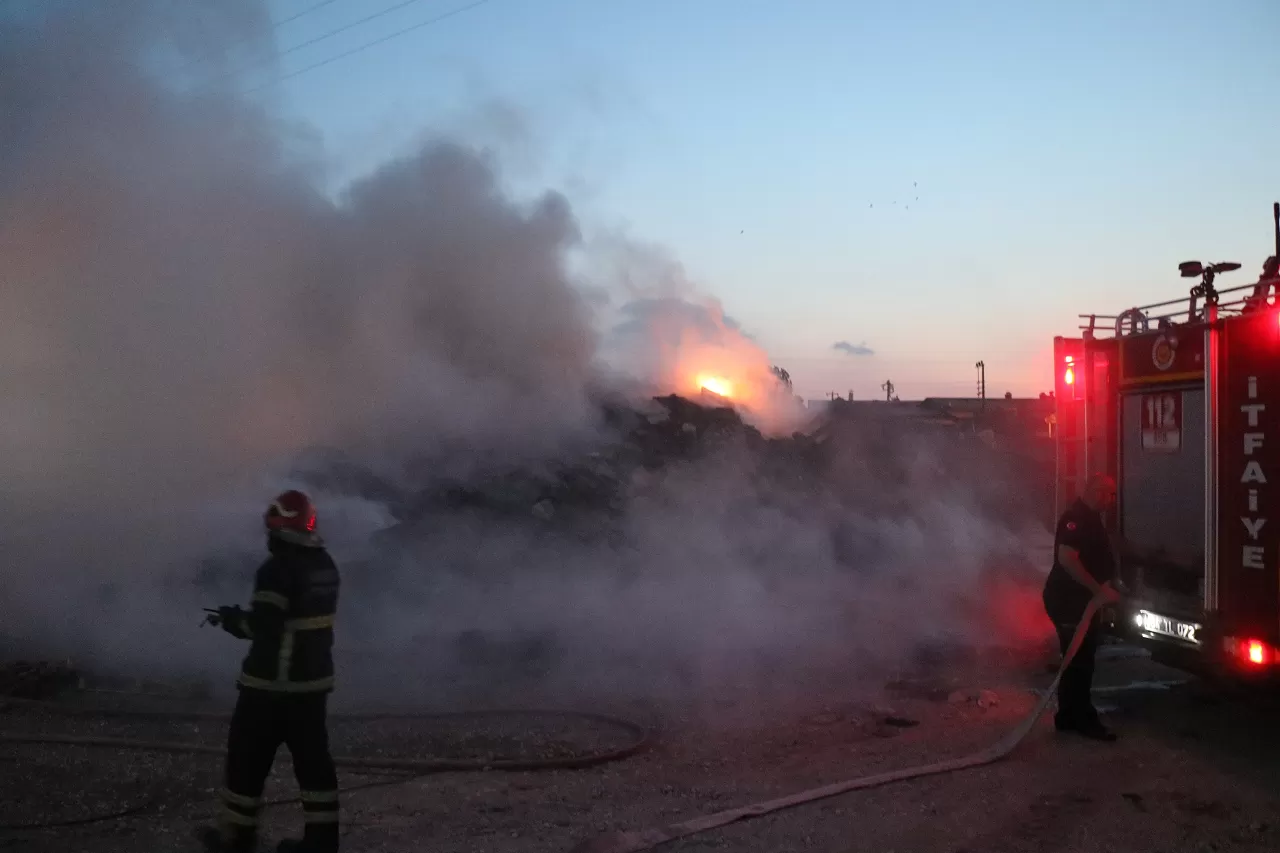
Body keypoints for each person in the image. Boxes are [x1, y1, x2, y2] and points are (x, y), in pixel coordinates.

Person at [199, 490, 342, 853]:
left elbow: (264, 626)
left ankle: (236, 839)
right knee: (314, 767)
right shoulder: (325, 565)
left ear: (278, 529)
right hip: (312, 687)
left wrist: (233, 620)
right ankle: (322, 842)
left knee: (245, 764)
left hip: (270, 689)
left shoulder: (276, 570)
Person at [1042, 473, 1122, 741]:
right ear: (1093, 491)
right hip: (1068, 602)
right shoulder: (1076, 518)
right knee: (1080, 661)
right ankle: (1083, 718)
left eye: (1113, 494)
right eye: (1107, 493)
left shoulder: (1091, 518)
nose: (1110, 499)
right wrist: (1098, 590)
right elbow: (1067, 559)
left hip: (1081, 602)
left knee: (1076, 659)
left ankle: (1067, 716)